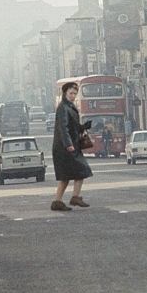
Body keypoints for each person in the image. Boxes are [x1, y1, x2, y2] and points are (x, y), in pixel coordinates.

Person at [50, 81, 93, 211]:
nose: (73, 96)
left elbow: (71, 126)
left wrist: (83, 127)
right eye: (71, 93)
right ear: (65, 93)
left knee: (66, 176)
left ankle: (58, 201)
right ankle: (74, 197)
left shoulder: (69, 106)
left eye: (75, 93)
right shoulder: (63, 107)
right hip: (66, 148)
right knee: (81, 170)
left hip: (69, 146)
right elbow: (63, 128)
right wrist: (68, 144)